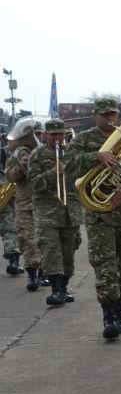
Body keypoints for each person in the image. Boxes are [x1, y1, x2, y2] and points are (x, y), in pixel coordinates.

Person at [64, 97, 121, 339]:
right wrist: (96, 156)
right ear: (94, 116)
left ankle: (120, 313)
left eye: (113, 114)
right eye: (104, 114)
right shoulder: (85, 139)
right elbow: (68, 168)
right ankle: (108, 316)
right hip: (99, 213)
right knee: (105, 265)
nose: (110, 118)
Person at [27, 119, 83, 306]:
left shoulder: (70, 154)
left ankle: (64, 287)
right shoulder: (37, 154)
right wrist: (54, 172)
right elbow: (34, 184)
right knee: (51, 251)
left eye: (61, 134)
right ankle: (56, 290)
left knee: (68, 252)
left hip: (71, 211)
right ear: (46, 135)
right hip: (47, 212)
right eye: (54, 134)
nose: (58, 138)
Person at [4, 119, 44, 291]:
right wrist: (22, 166)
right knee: (26, 239)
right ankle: (32, 275)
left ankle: (45, 273)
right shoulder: (18, 154)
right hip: (24, 205)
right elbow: (10, 177)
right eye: (34, 134)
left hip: (44, 204)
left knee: (44, 240)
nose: (36, 137)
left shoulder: (45, 153)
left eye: (39, 134)